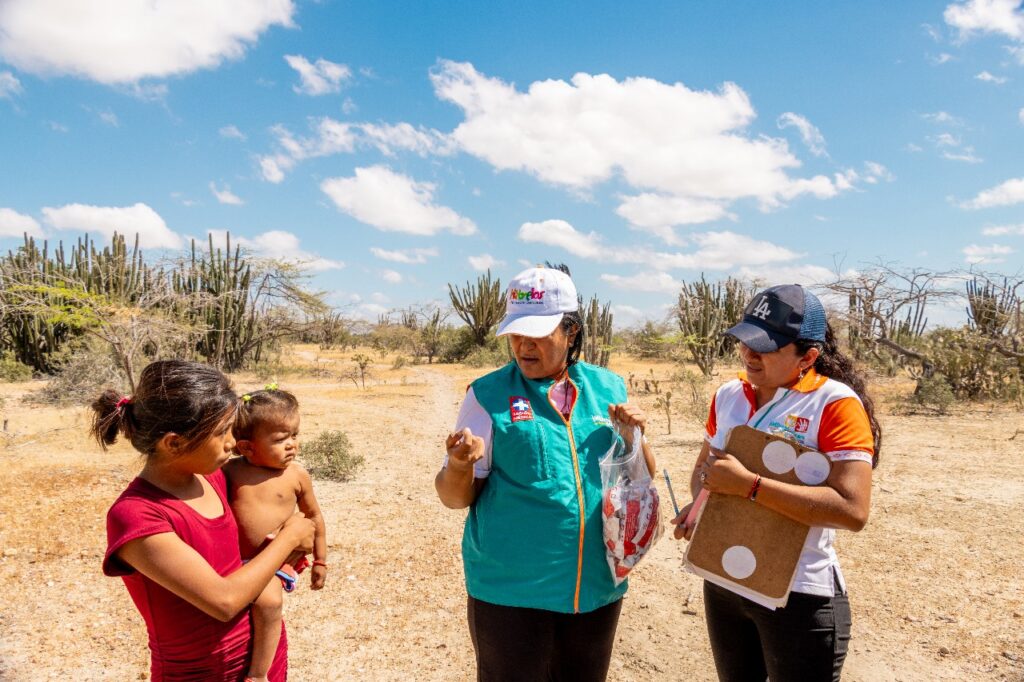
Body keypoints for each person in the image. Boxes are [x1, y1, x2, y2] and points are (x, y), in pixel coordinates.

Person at [435, 265, 656, 682]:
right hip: (511, 591)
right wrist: (459, 466)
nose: (523, 345)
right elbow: (455, 498)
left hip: (595, 588)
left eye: (538, 334)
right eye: (516, 334)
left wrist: (634, 437)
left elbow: (641, 476)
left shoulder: (609, 387)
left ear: (570, 331)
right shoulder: (487, 395)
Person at [671, 284, 882, 682]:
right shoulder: (728, 396)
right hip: (725, 580)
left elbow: (853, 510)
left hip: (799, 593)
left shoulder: (834, 405)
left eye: (764, 347)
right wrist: (700, 507)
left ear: (809, 356)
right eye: (744, 342)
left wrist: (750, 486)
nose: (749, 354)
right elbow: (705, 469)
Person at [97, 360, 315, 681]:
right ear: (174, 443)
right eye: (221, 432)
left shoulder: (211, 477)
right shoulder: (137, 516)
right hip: (202, 672)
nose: (231, 442)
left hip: (263, 661)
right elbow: (224, 601)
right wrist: (289, 538)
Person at [224, 386, 328, 682]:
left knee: (268, 602)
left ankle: (258, 674)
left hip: (274, 561)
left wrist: (321, 561)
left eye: (294, 435)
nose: (292, 445)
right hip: (235, 561)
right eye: (281, 439)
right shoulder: (230, 471)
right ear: (246, 447)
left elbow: (314, 517)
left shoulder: (296, 475)